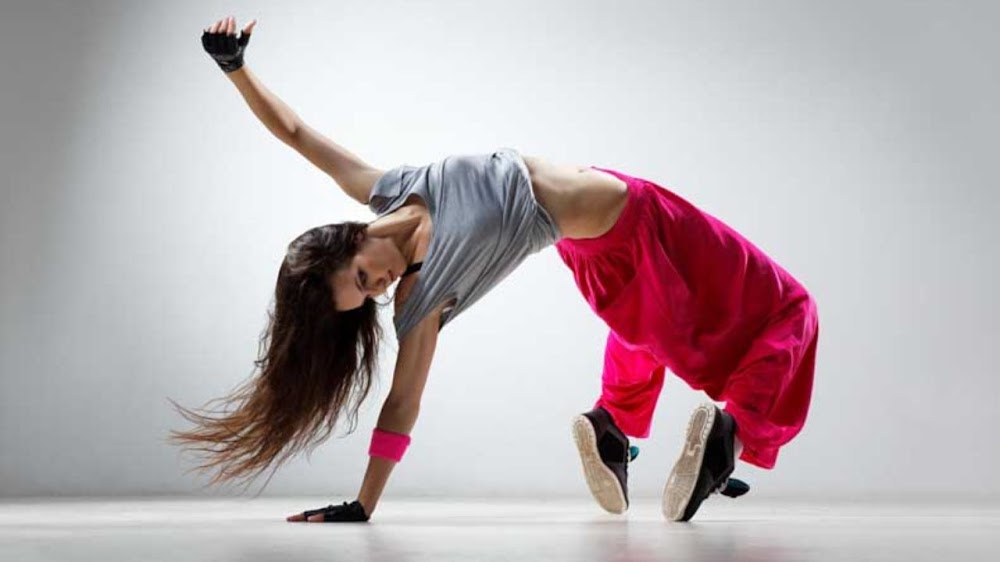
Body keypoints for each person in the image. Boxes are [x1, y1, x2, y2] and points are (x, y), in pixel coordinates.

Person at [169, 16, 820, 524]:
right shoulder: (421, 299)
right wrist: (364, 503)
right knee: (791, 309)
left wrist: (235, 69)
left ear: (349, 240)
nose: (380, 289)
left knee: (644, 336)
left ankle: (613, 431)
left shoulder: (384, 187)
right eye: (367, 298)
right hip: (638, 220)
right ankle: (729, 438)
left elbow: (296, 134)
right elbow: (403, 402)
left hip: (599, 257)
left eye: (363, 279)